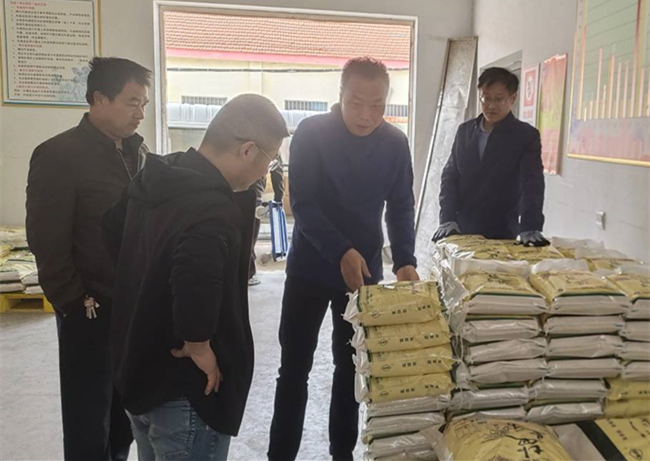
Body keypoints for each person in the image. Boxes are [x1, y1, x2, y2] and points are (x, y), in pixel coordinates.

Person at [102, 94, 289, 461]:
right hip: (185, 390)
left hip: (139, 368)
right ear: (248, 150)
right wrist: (199, 345)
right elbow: (196, 280)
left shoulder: (155, 177)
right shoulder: (211, 206)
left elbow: (111, 232)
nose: (264, 174)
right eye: (269, 161)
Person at [268, 57, 419, 461]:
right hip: (309, 269)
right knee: (294, 368)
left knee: (350, 368)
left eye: (377, 105)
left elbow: (401, 205)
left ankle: (342, 453)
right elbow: (304, 203)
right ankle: (280, 454)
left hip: (363, 275)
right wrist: (341, 250)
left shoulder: (394, 143)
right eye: (356, 102)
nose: (366, 115)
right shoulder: (311, 133)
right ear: (340, 95)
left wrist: (405, 258)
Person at [26, 57, 151, 461]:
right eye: (132, 102)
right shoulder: (58, 155)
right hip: (89, 307)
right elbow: (47, 240)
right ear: (99, 99)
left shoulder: (139, 153)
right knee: (87, 417)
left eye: (144, 104)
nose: (140, 112)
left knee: (123, 415)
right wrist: (73, 302)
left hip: (130, 306)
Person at [432, 67, 549, 246]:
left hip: (502, 230)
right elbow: (450, 175)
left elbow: (532, 182)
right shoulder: (465, 131)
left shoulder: (525, 136)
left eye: (498, 99)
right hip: (461, 229)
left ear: (512, 98)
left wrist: (530, 225)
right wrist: (447, 218)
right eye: (486, 98)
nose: (491, 106)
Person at [248, 157, 285, 286]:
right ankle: (247, 274)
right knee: (249, 237)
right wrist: (278, 199)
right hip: (252, 195)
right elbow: (277, 173)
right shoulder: (271, 149)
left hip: (230, 191)